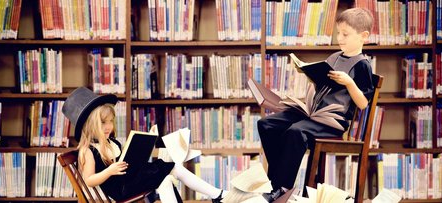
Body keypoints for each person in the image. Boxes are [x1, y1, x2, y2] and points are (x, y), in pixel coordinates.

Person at [258, 8, 375, 202]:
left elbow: (363, 103)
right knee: (266, 125)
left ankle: (281, 188)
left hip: (333, 121)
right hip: (313, 112)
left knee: (296, 132)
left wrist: (349, 82)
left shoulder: (362, 65)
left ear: (363, 36)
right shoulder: (335, 57)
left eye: (345, 34)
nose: (340, 38)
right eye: (339, 33)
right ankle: (276, 181)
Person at [62, 87, 226, 203]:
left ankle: (217, 194)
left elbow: (129, 162)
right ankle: (217, 194)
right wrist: (109, 170)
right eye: (103, 122)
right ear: (89, 125)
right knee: (169, 168)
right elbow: (89, 180)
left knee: (167, 178)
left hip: (130, 179)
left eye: (111, 121)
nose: (109, 127)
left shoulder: (112, 142)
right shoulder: (87, 151)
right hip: (122, 189)